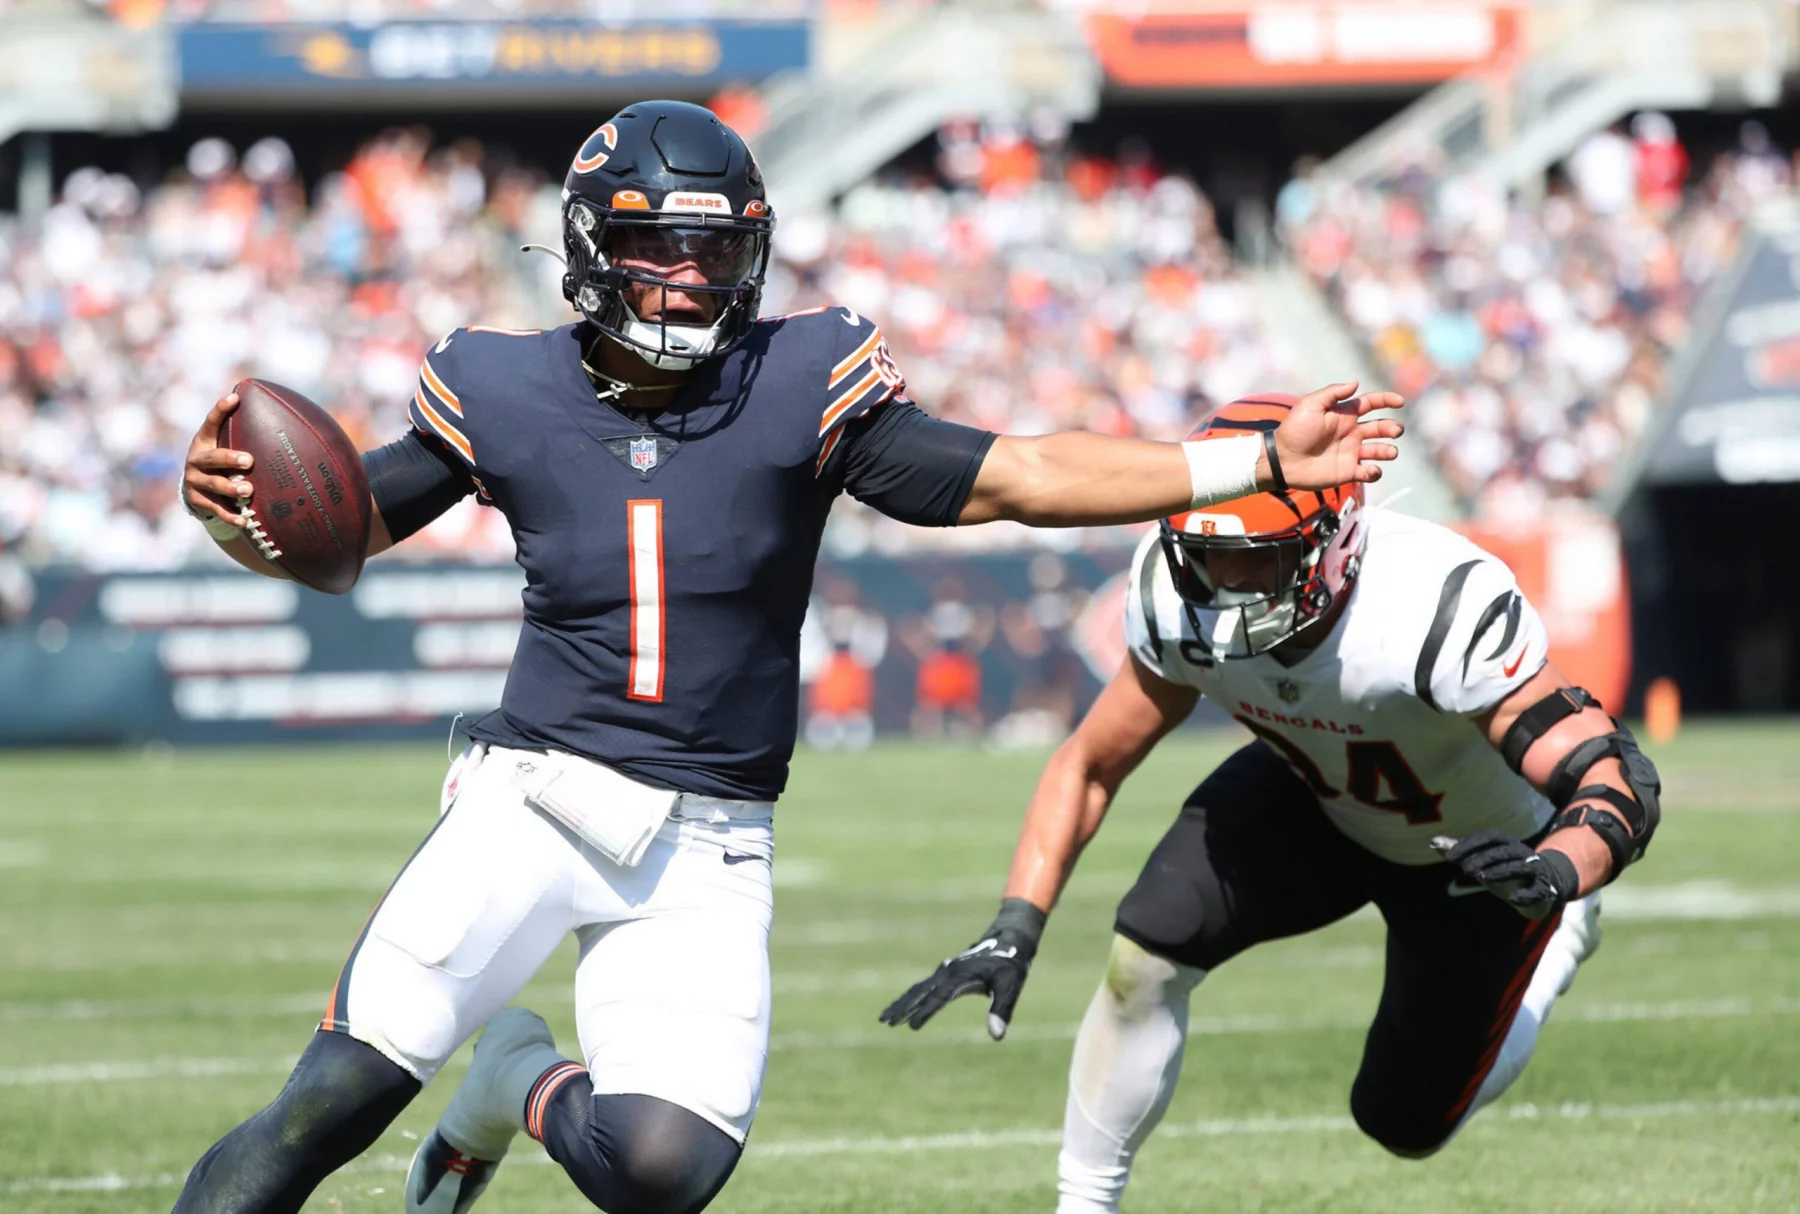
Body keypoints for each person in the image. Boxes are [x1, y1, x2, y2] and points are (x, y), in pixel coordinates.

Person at [171, 104, 1405, 1214]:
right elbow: (340, 529)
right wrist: (232, 511)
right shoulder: (500, 382)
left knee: (665, 1168)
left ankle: (516, 1077)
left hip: (708, 834)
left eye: (716, 250)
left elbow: (1023, 474)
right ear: (593, 244)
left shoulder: (797, 379)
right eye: (658, 245)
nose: (688, 277)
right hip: (531, 800)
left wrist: (1251, 464)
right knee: (329, 1101)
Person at [882, 395, 1661, 1214]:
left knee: (1402, 1122)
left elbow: (1613, 778)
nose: (1231, 584)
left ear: (1337, 543)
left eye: (1262, 559)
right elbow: (1090, 763)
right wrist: (1015, 925)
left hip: (1479, 853)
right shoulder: (1173, 595)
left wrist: (1559, 868)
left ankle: (1563, 944)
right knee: (1147, 949)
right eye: (1211, 557)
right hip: (1316, 793)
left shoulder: (1428, 603)